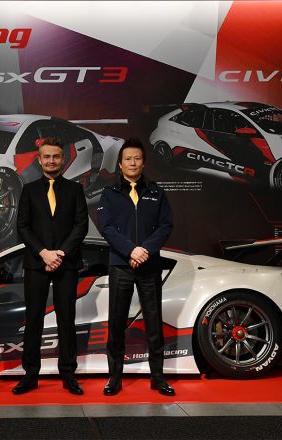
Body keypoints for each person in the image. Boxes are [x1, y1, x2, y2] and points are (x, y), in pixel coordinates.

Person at [97, 138, 175, 396]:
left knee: (154, 321)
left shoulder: (156, 192)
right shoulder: (109, 193)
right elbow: (106, 227)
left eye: (137, 158)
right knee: (116, 323)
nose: (132, 163)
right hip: (121, 265)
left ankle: (158, 377)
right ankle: (114, 378)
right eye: (128, 159)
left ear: (144, 163)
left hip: (149, 265)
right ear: (120, 164)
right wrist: (131, 250)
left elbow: (165, 226)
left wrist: (145, 251)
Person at [13, 137, 89, 395]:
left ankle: (68, 374)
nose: (51, 161)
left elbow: (81, 226)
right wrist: (44, 253)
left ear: (63, 158)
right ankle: (30, 375)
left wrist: (60, 254)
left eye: (56, 156)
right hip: (37, 263)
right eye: (47, 156)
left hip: (67, 263)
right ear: (39, 159)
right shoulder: (29, 190)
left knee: (67, 320)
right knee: (33, 319)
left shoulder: (75, 190)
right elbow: (22, 226)